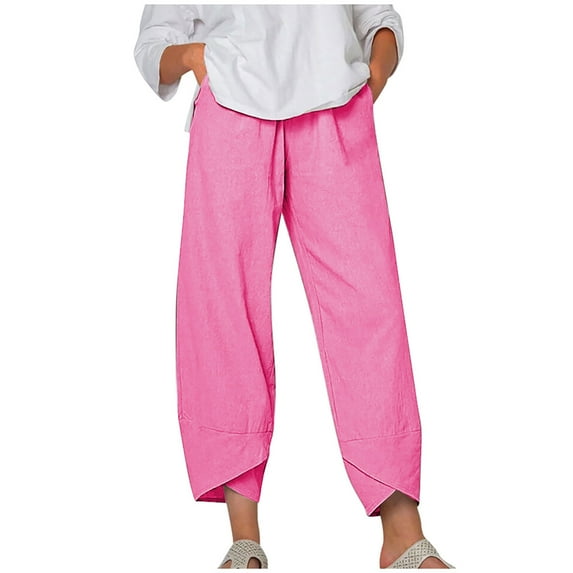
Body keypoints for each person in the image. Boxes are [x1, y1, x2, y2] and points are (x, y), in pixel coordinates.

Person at [133, 4, 454, 569]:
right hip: (233, 112)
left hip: (336, 111)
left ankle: (402, 533)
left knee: (370, 307)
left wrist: (373, 75)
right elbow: (153, 44)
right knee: (225, 312)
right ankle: (244, 538)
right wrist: (198, 57)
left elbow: (378, 16)